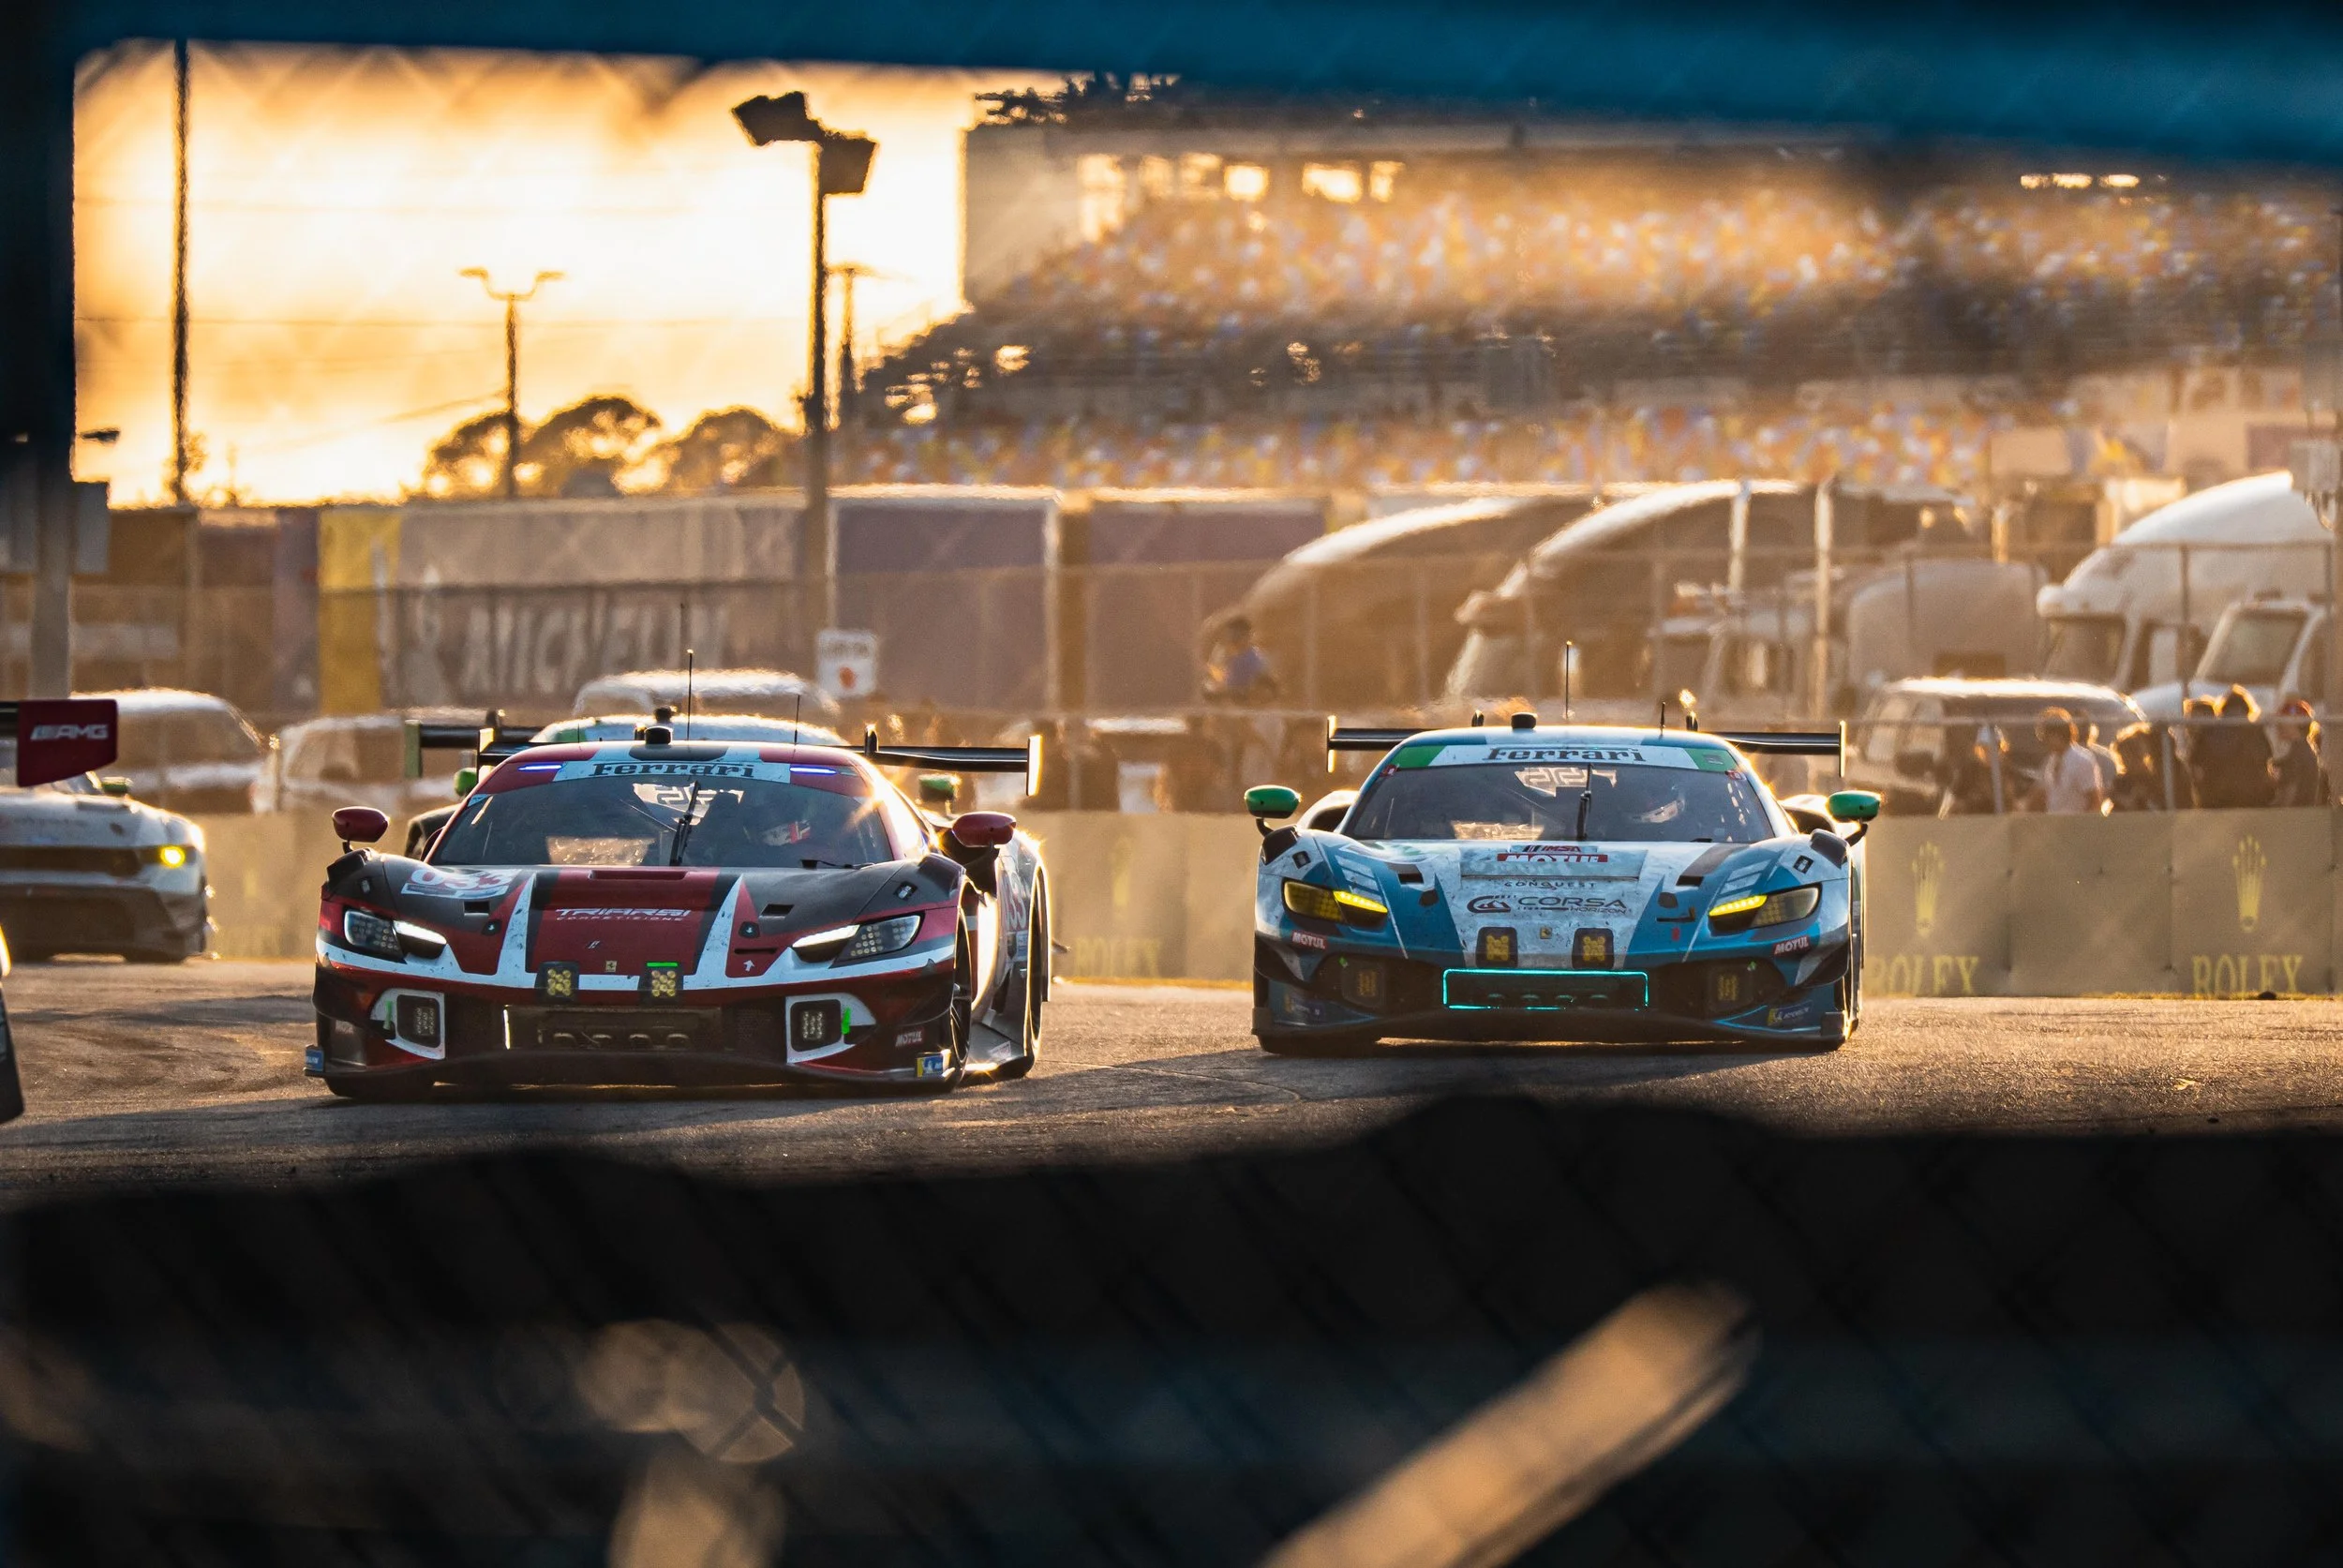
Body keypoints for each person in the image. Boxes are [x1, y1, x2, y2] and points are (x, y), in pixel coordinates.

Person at [2190, 684, 2276, 809]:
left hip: (2216, 800)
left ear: (2223, 709)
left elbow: (2196, 767)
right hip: (2253, 799)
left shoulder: (2208, 731)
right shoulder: (2255, 731)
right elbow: (2266, 759)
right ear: (2248, 709)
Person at [2033, 709, 2104, 815]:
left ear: (2057, 735)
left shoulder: (2082, 760)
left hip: (2076, 826)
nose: (2044, 741)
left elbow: (2095, 801)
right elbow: (2041, 794)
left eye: (2046, 736)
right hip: (2054, 826)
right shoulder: (2050, 761)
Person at [1202, 616, 1279, 706]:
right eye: (1231, 635)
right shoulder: (1228, 656)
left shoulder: (1254, 659)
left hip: (1246, 706)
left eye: (1238, 635)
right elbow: (1220, 679)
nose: (1234, 639)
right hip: (1229, 703)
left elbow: (1249, 689)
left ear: (1248, 636)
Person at [2271, 696, 2331, 807]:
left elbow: (2288, 798)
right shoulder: (2307, 751)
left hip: (2294, 819)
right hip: (2304, 818)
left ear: (2294, 725)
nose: (2277, 725)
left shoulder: (2296, 755)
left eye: (2282, 721)